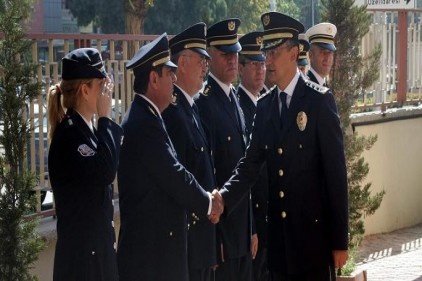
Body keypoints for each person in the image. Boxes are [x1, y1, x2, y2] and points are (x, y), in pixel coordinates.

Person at [216, 12, 349, 281]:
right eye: (267, 53)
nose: (268, 61)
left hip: (312, 243)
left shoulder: (318, 102)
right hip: (278, 245)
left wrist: (340, 241)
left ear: (294, 52)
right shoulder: (265, 107)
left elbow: (336, 175)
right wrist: (223, 198)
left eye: (275, 53)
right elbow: (250, 164)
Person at [117, 33, 223, 281]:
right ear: (154, 79)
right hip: (149, 259)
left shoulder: (149, 117)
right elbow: (174, 173)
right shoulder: (143, 123)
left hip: (158, 255)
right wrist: (208, 202)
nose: (174, 79)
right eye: (169, 73)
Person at [47, 48, 122, 281]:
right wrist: (106, 119)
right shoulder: (70, 136)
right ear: (85, 89)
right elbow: (105, 171)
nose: (106, 92)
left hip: (96, 258)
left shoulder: (85, 130)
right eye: (101, 85)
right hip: (81, 265)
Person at [195, 18, 253, 281]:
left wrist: (251, 228)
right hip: (222, 234)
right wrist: (213, 239)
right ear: (209, 57)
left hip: (242, 230)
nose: (233, 60)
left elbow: (244, 169)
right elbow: (207, 176)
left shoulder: (235, 100)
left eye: (235, 53)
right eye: (225, 54)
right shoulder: (204, 104)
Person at [162, 22, 217, 281]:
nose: (205, 68)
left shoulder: (190, 108)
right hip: (188, 242)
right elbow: (179, 181)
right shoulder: (173, 114)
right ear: (182, 63)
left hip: (202, 241)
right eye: (201, 60)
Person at [237, 31, 270, 281]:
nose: (260, 71)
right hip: (253, 220)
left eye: (263, 64)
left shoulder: (267, 103)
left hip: (272, 216)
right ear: (241, 68)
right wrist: (252, 227)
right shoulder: (239, 107)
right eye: (253, 64)